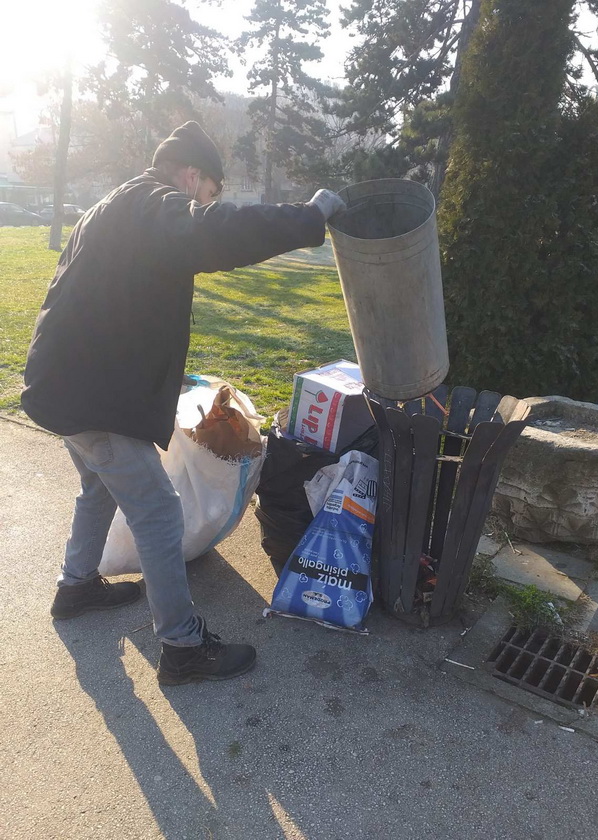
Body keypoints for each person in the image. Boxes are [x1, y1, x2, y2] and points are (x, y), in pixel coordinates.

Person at [22, 120, 346, 686]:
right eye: (211, 191)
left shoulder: (117, 206)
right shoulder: (156, 206)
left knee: (98, 485)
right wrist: (309, 216)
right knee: (158, 510)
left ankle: (75, 588)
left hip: (64, 385)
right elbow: (214, 232)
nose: (208, 201)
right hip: (90, 396)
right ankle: (183, 648)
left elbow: (109, 301)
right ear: (193, 176)